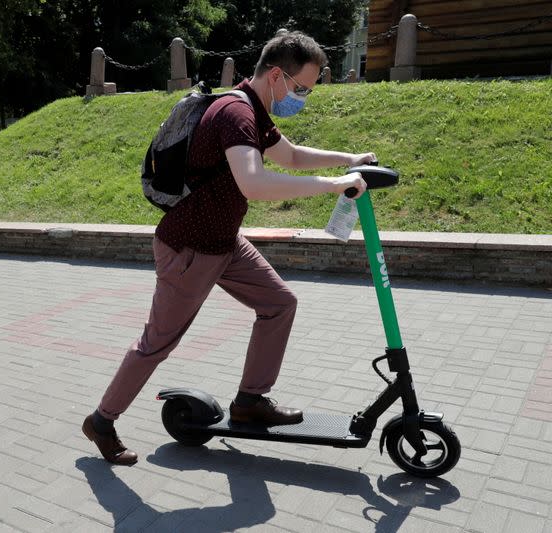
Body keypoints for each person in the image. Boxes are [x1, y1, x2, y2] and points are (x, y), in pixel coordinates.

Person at [82, 31, 376, 465]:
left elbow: (290, 156)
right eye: (302, 88)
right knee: (157, 344)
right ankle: (102, 421)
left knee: (279, 303)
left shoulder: (253, 107)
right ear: (277, 76)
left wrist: (347, 159)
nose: (303, 97)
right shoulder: (236, 114)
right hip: (189, 250)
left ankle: (250, 401)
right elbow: (254, 183)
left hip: (223, 242)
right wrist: (335, 185)